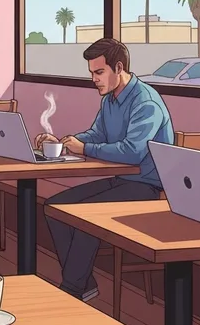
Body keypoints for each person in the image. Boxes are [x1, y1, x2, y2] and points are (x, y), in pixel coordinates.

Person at [38, 38, 173, 302]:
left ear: (118, 67)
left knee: (86, 215)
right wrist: (67, 142)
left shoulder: (146, 102)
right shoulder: (110, 99)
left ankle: (72, 290)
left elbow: (133, 151)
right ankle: (83, 283)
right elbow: (97, 133)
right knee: (55, 207)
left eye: (99, 72)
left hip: (149, 186)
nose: (94, 79)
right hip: (123, 179)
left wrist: (84, 149)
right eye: (91, 73)